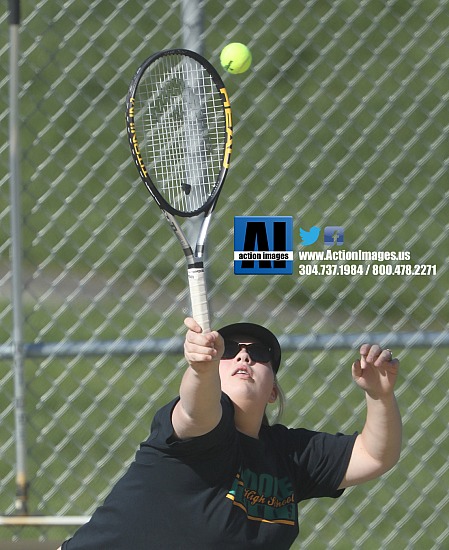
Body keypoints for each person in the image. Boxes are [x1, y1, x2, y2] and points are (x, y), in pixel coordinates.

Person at [58, 317, 401, 549]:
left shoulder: (289, 454)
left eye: (259, 353)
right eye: (231, 348)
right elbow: (197, 407)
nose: (244, 355)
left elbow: (374, 455)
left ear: (272, 393)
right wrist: (200, 370)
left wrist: (380, 396)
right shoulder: (204, 430)